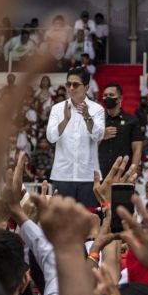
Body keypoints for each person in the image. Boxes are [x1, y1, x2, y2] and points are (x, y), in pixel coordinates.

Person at [46, 67, 106, 207]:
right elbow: (51, 137)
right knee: (62, 222)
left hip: (88, 176)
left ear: (86, 87)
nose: (71, 88)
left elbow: (98, 135)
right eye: (68, 84)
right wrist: (65, 120)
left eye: (75, 85)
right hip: (62, 175)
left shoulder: (97, 109)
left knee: (89, 220)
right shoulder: (57, 108)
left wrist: (87, 117)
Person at [97, 83, 143, 179]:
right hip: (100, 173)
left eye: (111, 95)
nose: (107, 97)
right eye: (105, 95)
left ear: (120, 98)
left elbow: (137, 149)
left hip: (122, 174)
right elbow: (90, 146)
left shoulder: (132, 120)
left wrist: (132, 173)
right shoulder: (98, 121)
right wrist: (101, 135)